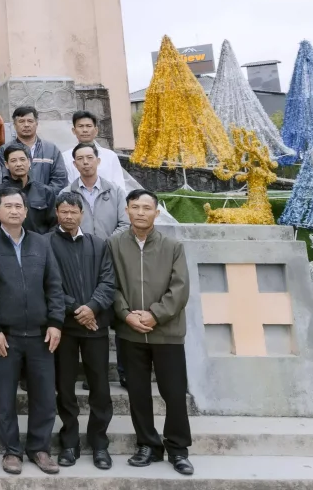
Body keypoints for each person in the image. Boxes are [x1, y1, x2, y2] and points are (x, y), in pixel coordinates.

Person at [0, 185, 64, 475]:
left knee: (45, 396)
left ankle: (39, 448)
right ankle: (11, 451)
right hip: (6, 335)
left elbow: (54, 286)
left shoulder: (41, 243)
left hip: (41, 335)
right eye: (9, 206)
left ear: (26, 212)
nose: (14, 211)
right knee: (5, 397)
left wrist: (56, 322)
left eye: (19, 206)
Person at [110, 189, 193, 476]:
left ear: (157, 213)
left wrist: (154, 314)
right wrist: (126, 314)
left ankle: (178, 449)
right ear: (126, 211)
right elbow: (110, 284)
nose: (141, 212)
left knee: (174, 393)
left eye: (147, 208)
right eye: (135, 207)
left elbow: (180, 288)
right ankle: (147, 444)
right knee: (138, 393)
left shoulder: (173, 246)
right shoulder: (114, 244)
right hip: (130, 333)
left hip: (167, 333)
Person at [48, 190, 116, 469]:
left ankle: (99, 443)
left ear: (82, 214)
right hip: (63, 328)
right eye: (63, 211)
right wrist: (78, 309)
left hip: (95, 326)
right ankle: (69, 442)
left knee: (100, 387)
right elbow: (48, 285)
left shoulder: (98, 244)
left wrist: (93, 307)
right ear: (56, 213)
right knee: (64, 387)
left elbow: (108, 281)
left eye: (73, 212)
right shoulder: (46, 244)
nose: (68, 216)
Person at [4, 105, 70, 192]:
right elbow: (2, 179)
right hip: (14, 199)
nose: (26, 125)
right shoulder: (3, 150)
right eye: (21, 121)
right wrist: (18, 196)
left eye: (30, 121)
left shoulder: (51, 150)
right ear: (15, 125)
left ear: (36, 123)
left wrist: (42, 195)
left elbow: (60, 180)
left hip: (46, 199)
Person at [69, 142, 128, 238]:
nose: (85, 162)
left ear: (98, 161)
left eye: (90, 157)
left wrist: (108, 243)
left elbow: (125, 224)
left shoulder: (116, 192)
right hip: (78, 246)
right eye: (80, 158)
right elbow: (64, 225)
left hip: (111, 246)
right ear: (75, 164)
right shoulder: (67, 193)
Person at [0, 143, 57, 233]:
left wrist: (45, 240)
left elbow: (55, 224)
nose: (18, 164)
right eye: (13, 161)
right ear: (6, 165)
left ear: (29, 162)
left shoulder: (46, 192)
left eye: (22, 159)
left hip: (40, 241)